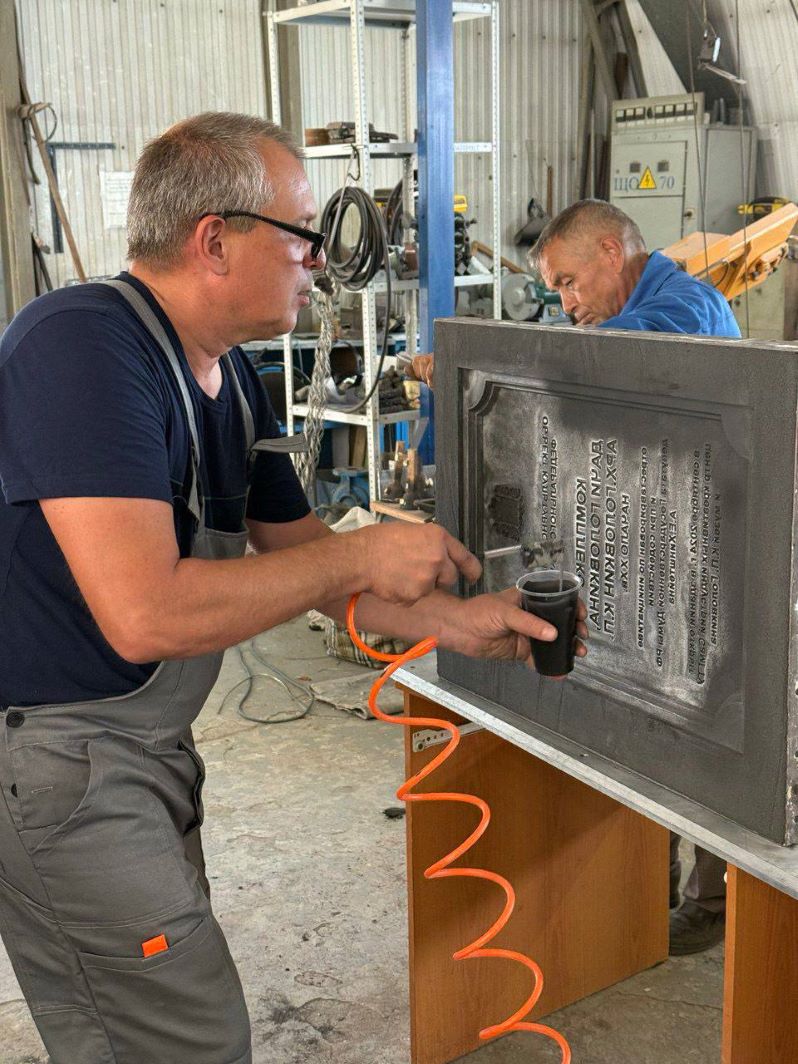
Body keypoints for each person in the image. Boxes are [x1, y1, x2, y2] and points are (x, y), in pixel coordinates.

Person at [0, 112, 587, 1064]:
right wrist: (361, 556)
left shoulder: (234, 376)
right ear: (214, 240)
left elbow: (301, 557)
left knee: (142, 1027)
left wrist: (461, 622)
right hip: (62, 755)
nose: (319, 261)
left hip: (144, 747)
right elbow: (146, 613)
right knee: (186, 1038)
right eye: (301, 235)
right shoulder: (81, 347)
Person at [533, 198, 739, 956]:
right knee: (646, 723)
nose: (567, 303)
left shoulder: (688, 305)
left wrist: (517, 354)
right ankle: (645, 883)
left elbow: (638, 351)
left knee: (705, 730)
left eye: (568, 282)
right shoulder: (634, 308)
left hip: (711, 568)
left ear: (611, 253)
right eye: (556, 291)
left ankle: (710, 898)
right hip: (655, 550)